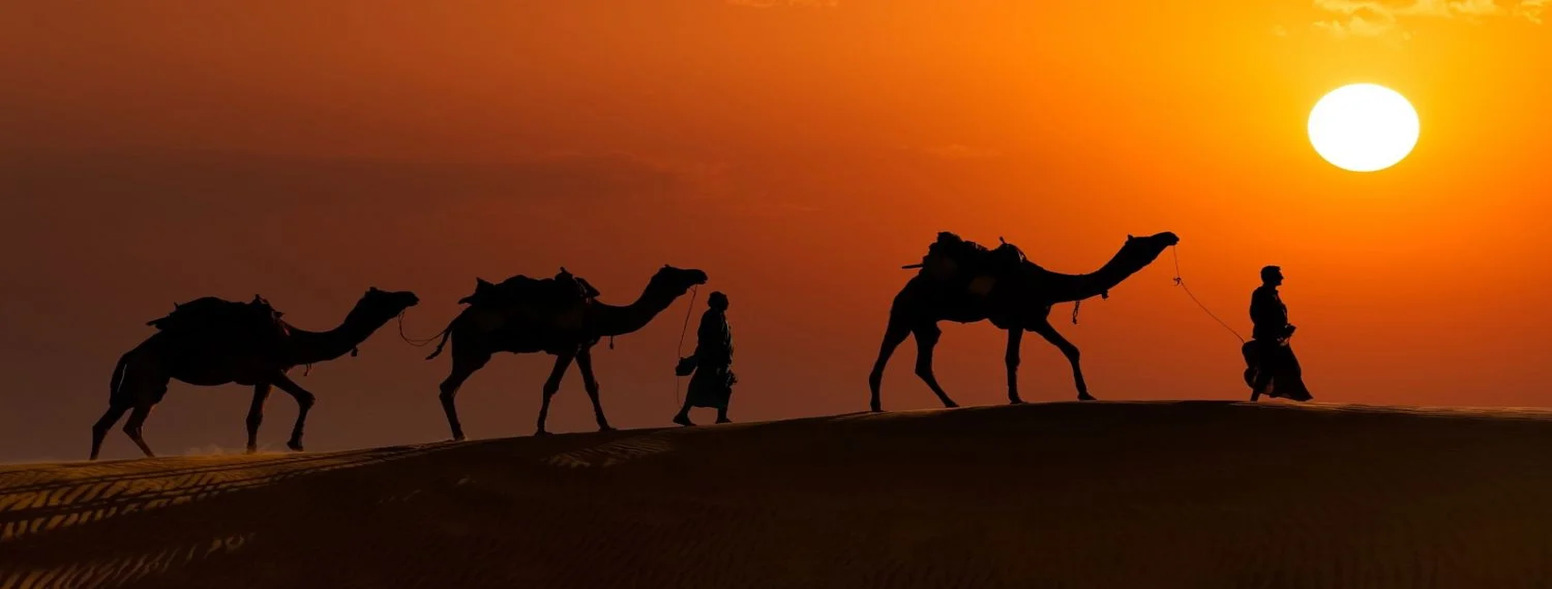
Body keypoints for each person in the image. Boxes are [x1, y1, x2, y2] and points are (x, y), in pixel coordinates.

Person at [1245, 265, 1313, 402]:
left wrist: (1285, 329)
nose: (1282, 277)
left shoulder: (1274, 294)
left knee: (1291, 369)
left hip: (1279, 339)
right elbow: (1257, 315)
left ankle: (1299, 399)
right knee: (1267, 370)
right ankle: (1252, 402)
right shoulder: (1260, 294)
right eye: (1278, 275)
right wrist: (1276, 330)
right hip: (1267, 339)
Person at [673, 291, 736, 426]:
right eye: (724, 300)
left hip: (719, 360)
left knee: (723, 388)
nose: (727, 303)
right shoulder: (712, 316)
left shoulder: (719, 316)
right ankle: (684, 414)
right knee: (702, 386)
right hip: (712, 359)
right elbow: (709, 338)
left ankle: (720, 416)